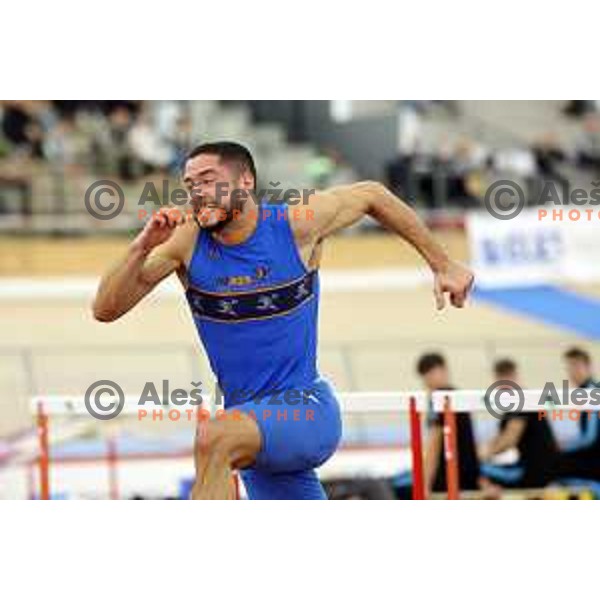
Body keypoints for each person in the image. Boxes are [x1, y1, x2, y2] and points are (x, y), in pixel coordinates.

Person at [92, 141, 474, 500]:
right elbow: (105, 309)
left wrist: (444, 265)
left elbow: (372, 194)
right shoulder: (185, 243)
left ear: (246, 182)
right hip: (250, 427)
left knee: (213, 436)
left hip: (305, 410)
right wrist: (142, 245)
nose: (197, 192)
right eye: (190, 185)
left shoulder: (295, 223)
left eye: (208, 181)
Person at [479, 359, 558, 489]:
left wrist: (483, 454)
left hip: (535, 471)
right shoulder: (518, 399)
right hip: (537, 466)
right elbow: (503, 437)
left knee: (478, 470)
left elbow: (509, 439)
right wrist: (485, 449)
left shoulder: (521, 400)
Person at [418, 353, 480, 495]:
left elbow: (435, 443)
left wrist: (425, 483)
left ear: (445, 370)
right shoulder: (456, 395)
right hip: (466, 475)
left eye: (432, 373)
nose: (428, 379)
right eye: (426, 375)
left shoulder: (440, 398)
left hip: (449, 478)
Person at [556, 347, 600, 481]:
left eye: (576, 366)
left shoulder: (592, 392)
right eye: (569, 367)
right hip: (592, 456)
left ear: (588, 367)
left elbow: (589, 438)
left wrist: (562, 446)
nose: (572, 372)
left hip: (595, 460)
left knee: (548, 465)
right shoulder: (585, 392)